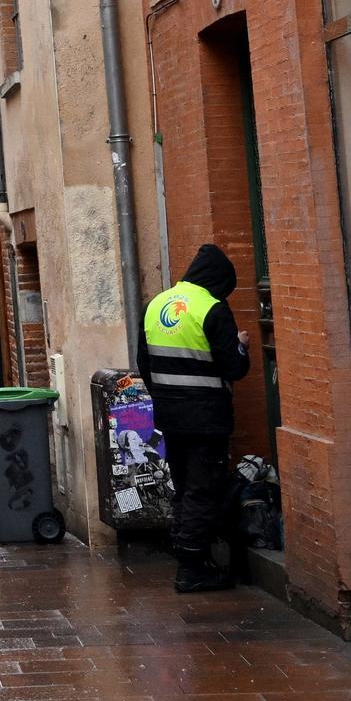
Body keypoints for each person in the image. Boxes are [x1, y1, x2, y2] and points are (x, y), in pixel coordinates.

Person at [139, 243, 253, 593]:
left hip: (169, 416)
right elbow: (234, 368)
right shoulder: (212, 308)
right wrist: (241, 345)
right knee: (203, 491)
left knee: (185, 487)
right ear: (218, 281)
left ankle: (188, 555)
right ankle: (191, 568)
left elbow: (145, 365)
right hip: (206, 418)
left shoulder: (155, 305)